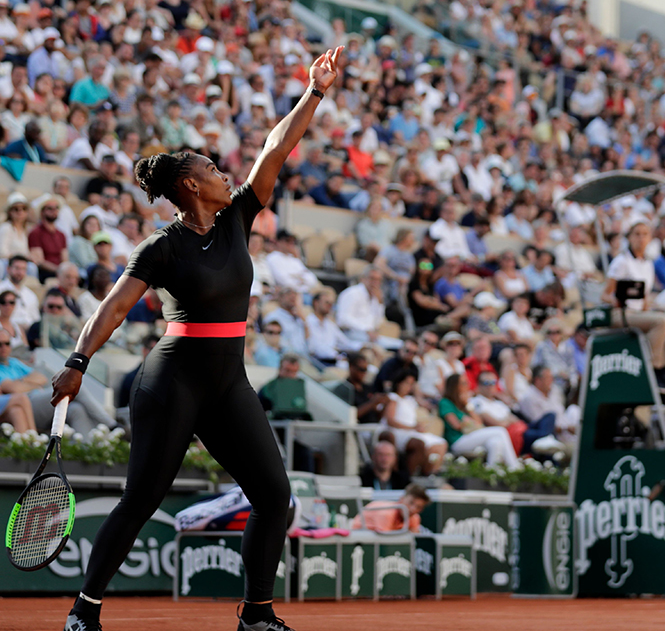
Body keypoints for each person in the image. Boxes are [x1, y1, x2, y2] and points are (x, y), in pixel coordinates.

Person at [50, 47, 346, 631]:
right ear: (191, 184)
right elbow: (112, 308)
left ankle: (256, 615)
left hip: (227, 382)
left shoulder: (239, 215)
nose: (224, 173)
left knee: (273, 497)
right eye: (212, 169)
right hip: (173, 382)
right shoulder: (160, 247)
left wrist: (313, 92)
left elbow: (275, 148)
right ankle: (84, 611)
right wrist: (78, 360)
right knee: (141, 500)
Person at [603, 222, 665, 389]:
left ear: (650, 238)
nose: (641, 238)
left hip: (639, 314)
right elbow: (605, 294)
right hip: (621, 313)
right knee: (661, 321)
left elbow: (644, 298)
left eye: (645, 234)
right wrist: (617, 301)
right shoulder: (621, 261)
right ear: (629, 237)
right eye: (637, 234)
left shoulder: (648, 264)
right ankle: (653, 368)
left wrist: (650, 308)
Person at [439, 373, 521, 468]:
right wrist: (467, 422)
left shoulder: (463, 404)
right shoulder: (445, 402)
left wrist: (467, 406)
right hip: (457, 441)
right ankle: (514, 467)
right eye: (463, 383)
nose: (467, 386)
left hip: (469, 436)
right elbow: (456, 425)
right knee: (500, 431)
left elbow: (478, 422)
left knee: (495, 442)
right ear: (454, 386)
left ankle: (493, 473)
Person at [381, 368, 447, 475]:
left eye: (411, 384)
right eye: (407, 383)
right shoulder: (393, 398)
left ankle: (429, 472)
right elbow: (390, 421)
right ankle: (409, 475)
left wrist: (418, 427)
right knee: (419, 443)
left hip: (411, 431)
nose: (409, 387)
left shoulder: (410, 400)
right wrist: (412, 428)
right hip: (397, 432)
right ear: (399, 383)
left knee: (440, 443)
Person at [350, 483, 431, 533]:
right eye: (411, 503)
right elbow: (386, 544)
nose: (413, 509)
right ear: (402, 499)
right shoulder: (386, 514)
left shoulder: (414, 517)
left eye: (418, 507)